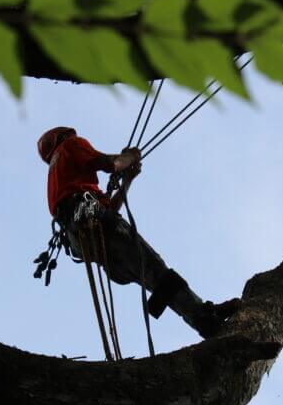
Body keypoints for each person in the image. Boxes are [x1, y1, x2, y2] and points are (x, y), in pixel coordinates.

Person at [38, 126, 240, 338]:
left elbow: (108, 209)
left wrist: (127, 181)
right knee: (154, 268)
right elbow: (110, 164)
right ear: (62, 137)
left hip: (81, 238)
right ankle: (204, 318)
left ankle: (201, 315)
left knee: (154, 276)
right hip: (91, 218)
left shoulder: (61, 179)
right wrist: (129, 157)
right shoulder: (70, 146)